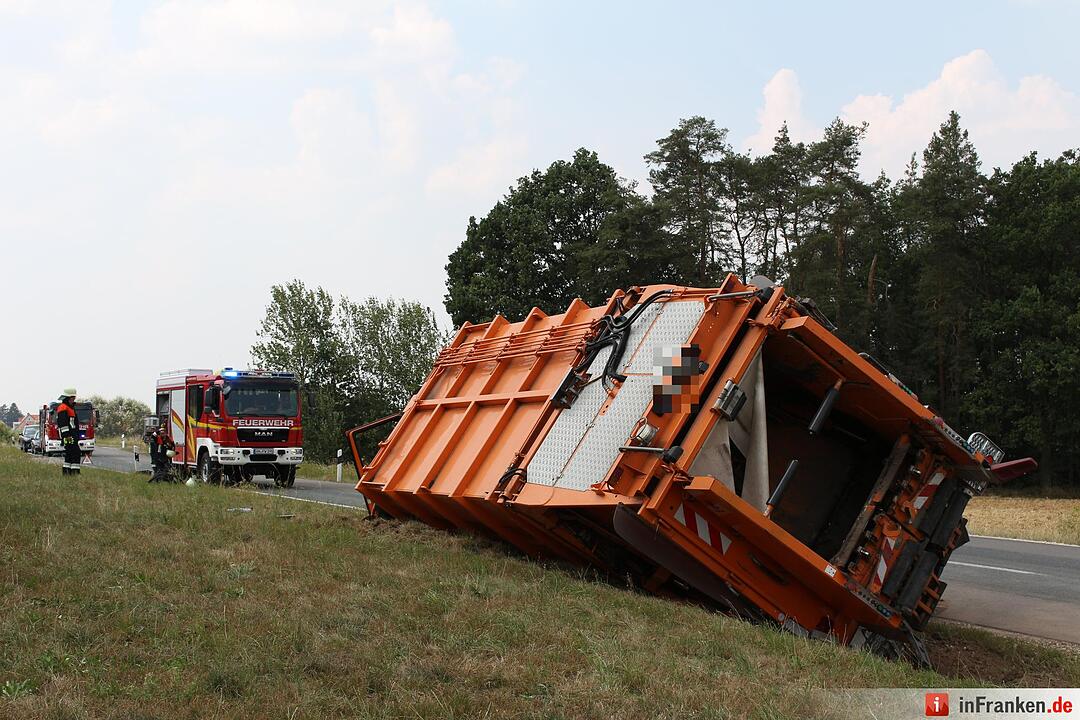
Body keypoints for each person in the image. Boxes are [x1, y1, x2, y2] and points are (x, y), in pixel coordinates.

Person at [55, 389, 81, 476]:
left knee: (70, 452)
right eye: (72, 398)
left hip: (72, 435)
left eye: (74, 398)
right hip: (68, 436)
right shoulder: (63, 408)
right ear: (67, 398)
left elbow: (74, 423)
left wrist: (76, 434)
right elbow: (63, 424)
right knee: (75, 452)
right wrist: (66, 436)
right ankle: (74, 473)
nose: (73, 400)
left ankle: (68, 473)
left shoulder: (70, 408)